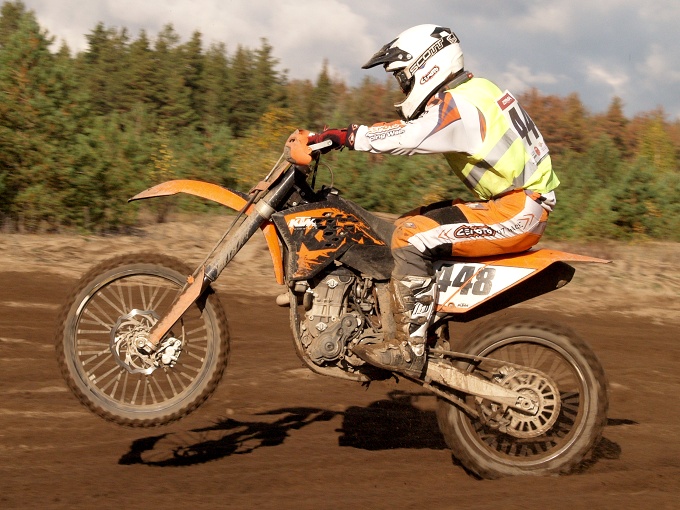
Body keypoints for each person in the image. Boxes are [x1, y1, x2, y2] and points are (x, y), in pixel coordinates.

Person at [307, 24, 559, 378]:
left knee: (411, 236)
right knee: (403, 226)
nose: (403, 88)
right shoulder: (477, 89)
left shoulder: (460, 106)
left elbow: (408, 136)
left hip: (516, 210)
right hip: (511, 203)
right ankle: (411, 323)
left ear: (427, 66)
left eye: (403, 78)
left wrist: (344, 136)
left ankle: (408, 348)